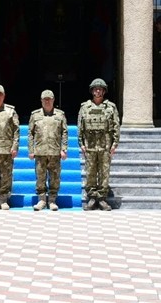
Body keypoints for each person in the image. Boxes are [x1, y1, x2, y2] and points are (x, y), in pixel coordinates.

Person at [78, 77, 120, 210]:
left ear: (104, 91)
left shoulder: (111, 107)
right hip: (90, 146)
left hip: (105, 146)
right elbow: (81, 127)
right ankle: (91, 198)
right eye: (95, 89)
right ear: (92, 91)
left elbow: (116, 126)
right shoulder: (85, 107)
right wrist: (82, 144)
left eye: (100, 89)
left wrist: (114, 144)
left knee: (104, 172)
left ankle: (102, 198)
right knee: (90, 172)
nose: (98, 91)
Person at [28, 89, 68, 211]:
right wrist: (31, 150)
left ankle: (52, 201)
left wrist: (64, 149)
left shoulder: (60, 115)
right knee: (40, 178)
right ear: (41, 100)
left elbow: (64, 132)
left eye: (49, 99)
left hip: (55, 152)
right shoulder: (35, 115)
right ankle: (41, 200)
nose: (47, 102)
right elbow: (30, 133)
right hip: (40, 152)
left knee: (55, 178)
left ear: (53, 100)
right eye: (45, 99)